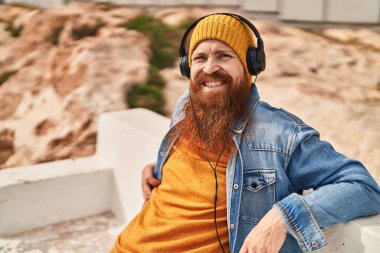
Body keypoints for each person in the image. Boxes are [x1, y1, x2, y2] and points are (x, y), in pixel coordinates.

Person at [110, 13, 380, 253]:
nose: (209, 68)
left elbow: (364, 188)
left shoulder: (281, 134)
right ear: (186, 66)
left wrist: (283, 217)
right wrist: (163, 167)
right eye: (199, 58)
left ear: (250, 65)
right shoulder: (186, 106)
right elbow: (196, 169)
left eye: (224, 56)